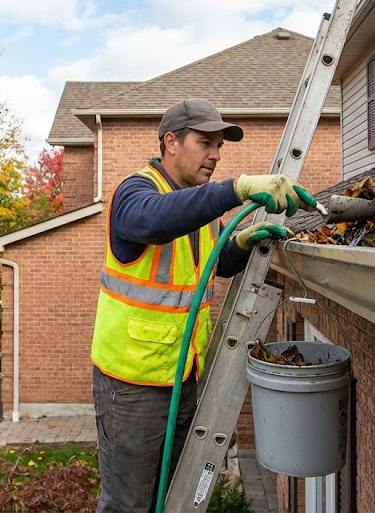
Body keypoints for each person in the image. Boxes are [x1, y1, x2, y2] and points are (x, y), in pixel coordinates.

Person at [90, 98, 318, 512]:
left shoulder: (199, 207)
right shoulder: (136, 192)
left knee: (173, 496)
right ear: (172, 142)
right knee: (129, 504)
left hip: (183, 375)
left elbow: (208, 267)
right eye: (205, 142)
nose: (215, 154)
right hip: (132, 385)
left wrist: (241, 244)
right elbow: (152, 221)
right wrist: (234, 190)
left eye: (219, 146)